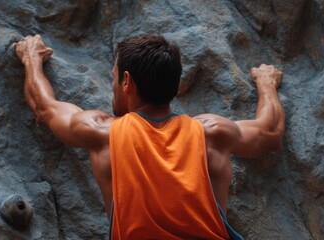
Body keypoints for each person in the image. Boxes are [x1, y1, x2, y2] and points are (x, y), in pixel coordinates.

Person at [15, 34, 284, 240]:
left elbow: (44, 106)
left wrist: (31, 58)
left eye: (113, 78)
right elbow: (270, 132)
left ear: (127, 82)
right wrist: (266, 84)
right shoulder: (212, 133)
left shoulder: (102, 133)